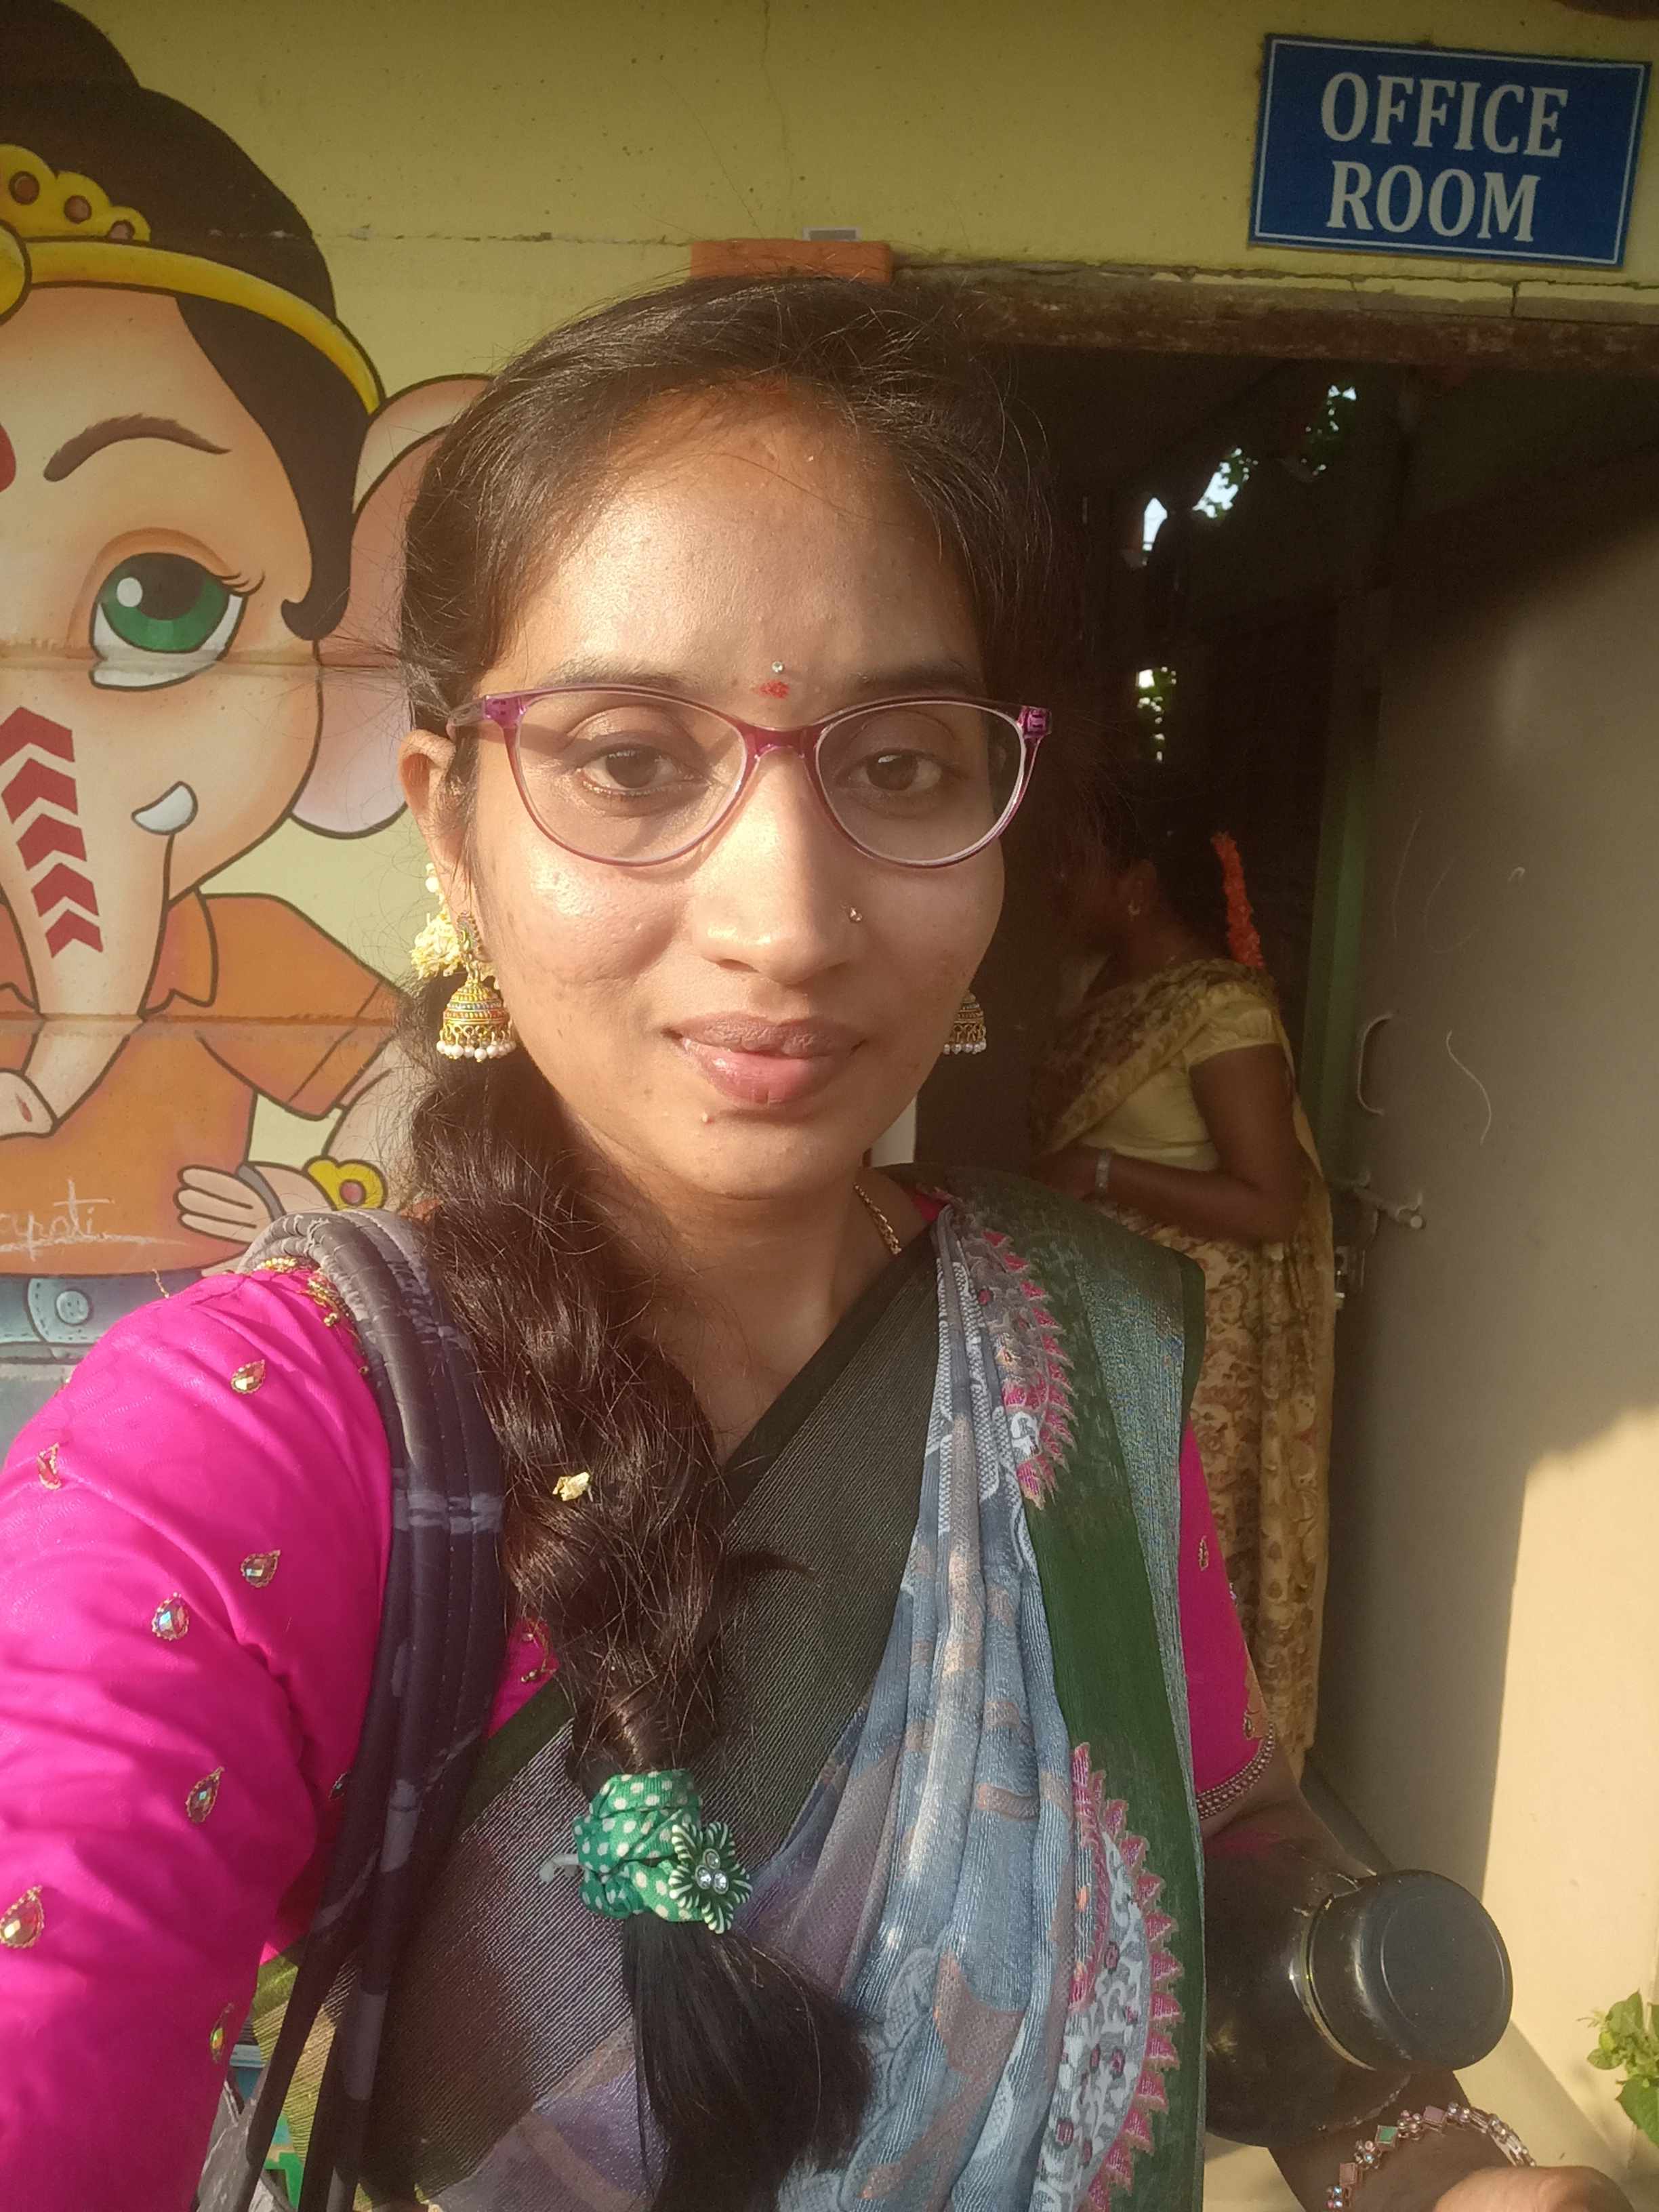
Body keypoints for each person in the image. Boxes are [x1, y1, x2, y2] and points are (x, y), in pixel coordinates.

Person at [0, 282, 1620, 2212]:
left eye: (903, 763)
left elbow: (1215, 1825)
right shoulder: (251, 1449)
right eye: (629, 758)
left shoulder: (1066, 1347)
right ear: (451, 828)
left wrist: (1422, 2158)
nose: (785, 919)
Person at [1032, 771, 1336, 1765]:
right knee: (1105, 1552)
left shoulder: (1218, 1007)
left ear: (1137, 885)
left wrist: (1103, 1171)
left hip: (1196, 1338)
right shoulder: (1098, 994)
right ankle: (1106, 1769)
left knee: (1182, 1555)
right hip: (1101, 1312)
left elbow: (1271, 1201)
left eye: (1075, 865)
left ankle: (1209, 1785)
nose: (1055, 884)